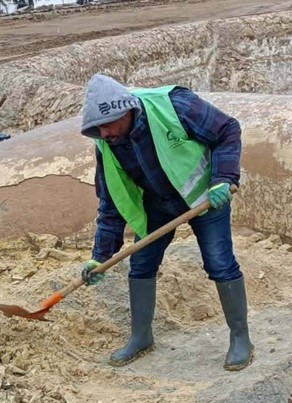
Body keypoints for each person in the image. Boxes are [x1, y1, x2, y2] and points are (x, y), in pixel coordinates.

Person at [78, 74, 254, 371]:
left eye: (108, 125)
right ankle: (141, 336)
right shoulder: (106, 143)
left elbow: (227, 129)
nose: (105, 133)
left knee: (219, 263)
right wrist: (100, 258)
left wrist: (223, 178)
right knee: (141, 264)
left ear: (127, 110)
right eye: (98, 128)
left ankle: (241, 338)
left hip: (205, 196)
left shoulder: (174, 106)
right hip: (157, 204)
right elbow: (111, 202)